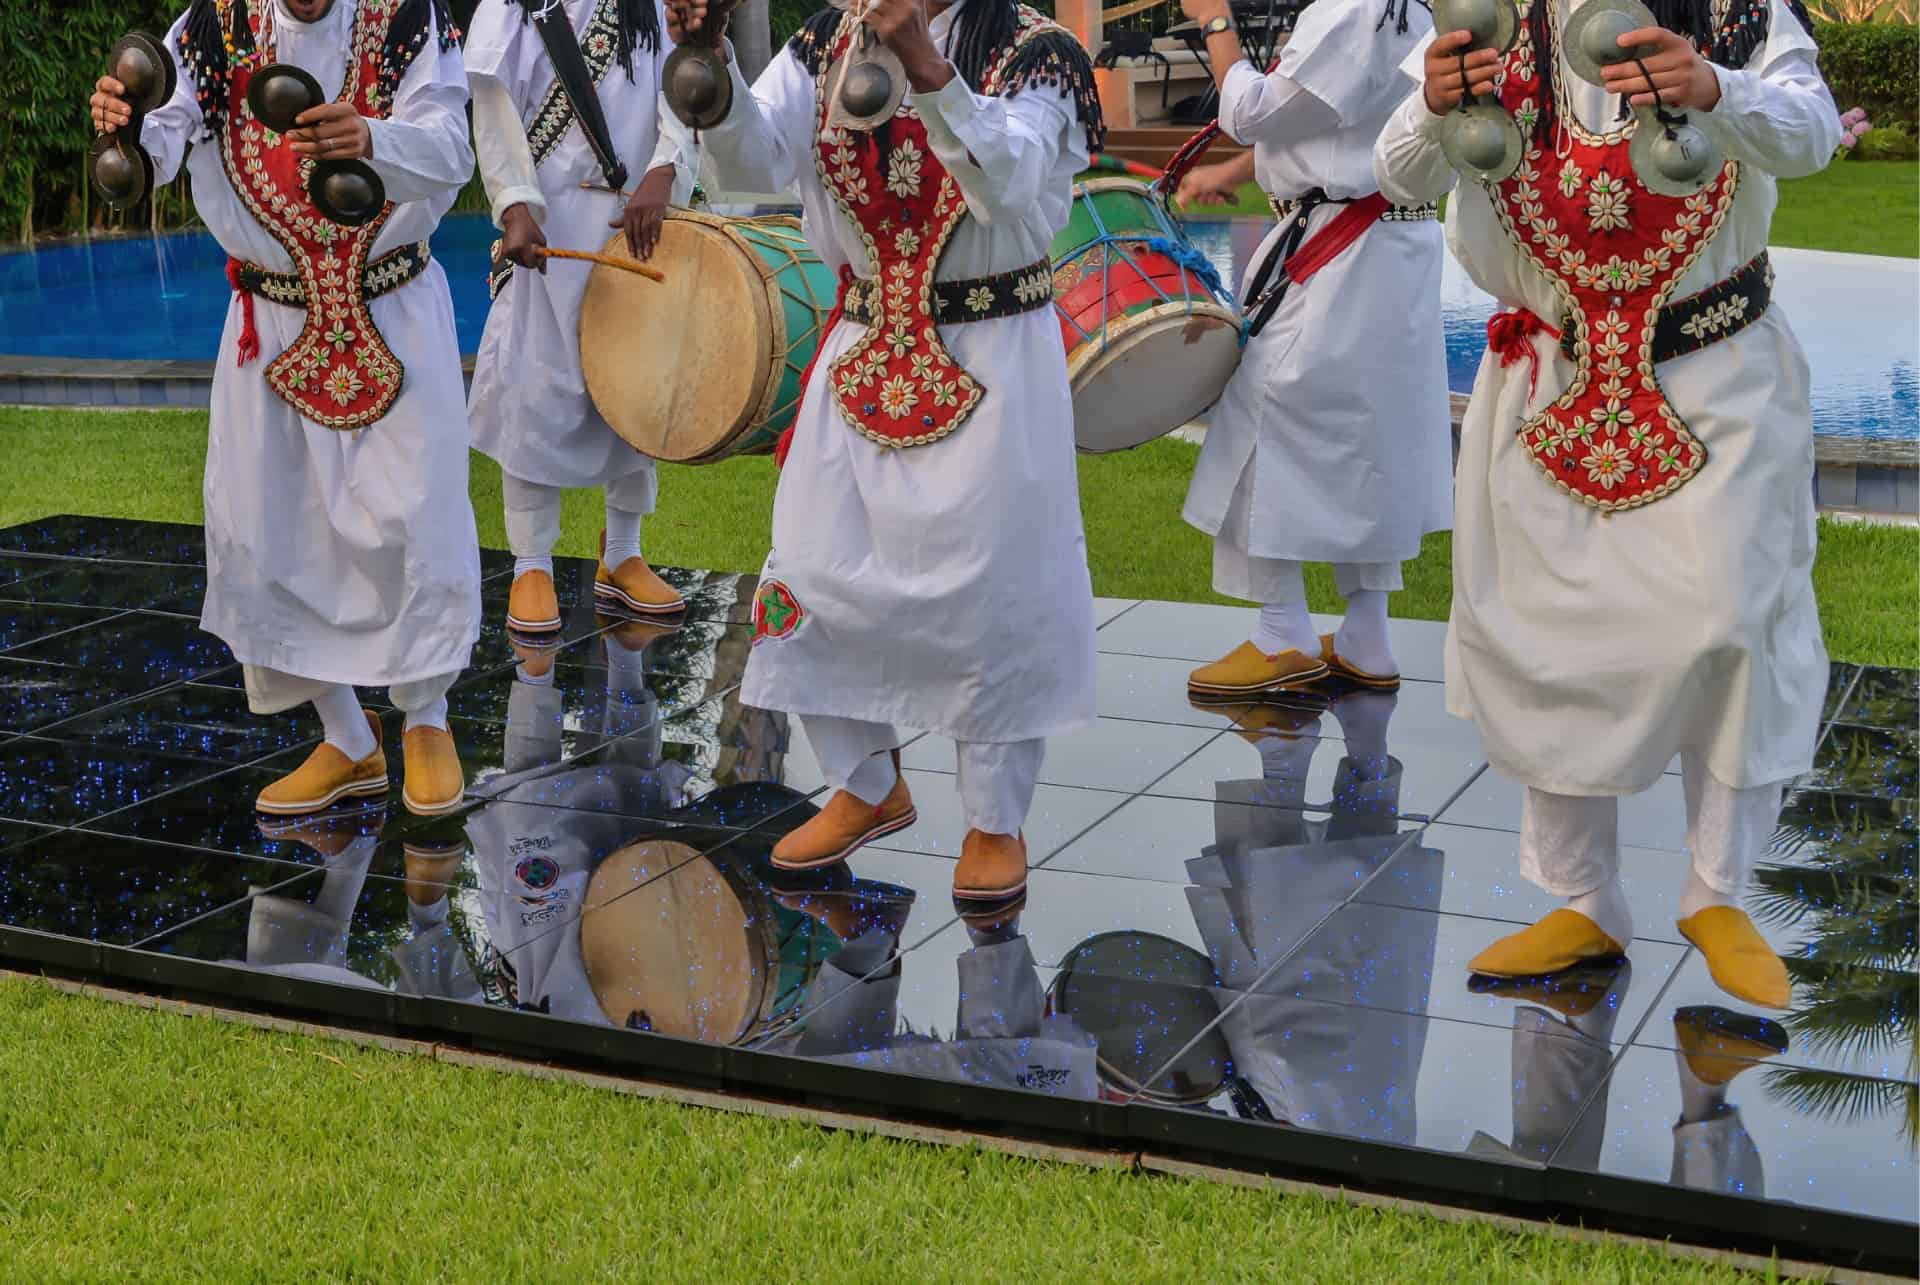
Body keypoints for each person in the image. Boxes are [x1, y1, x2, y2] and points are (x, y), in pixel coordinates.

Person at [1373, 0, 1838, 1006]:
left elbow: (1810, 135)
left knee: (1734, 617)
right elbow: (1398, 178)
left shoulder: (1735, 12)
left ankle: (1718, 890)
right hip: (1547, 377)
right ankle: (1583, 899)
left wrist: (1716, 88)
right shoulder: (1487, 21)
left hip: (1718, 372)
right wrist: (1431, 105)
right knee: (1547, 640)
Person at [657, 0, 1105, 899]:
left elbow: (1010, 183)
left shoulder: (1038, 51)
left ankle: (994, 819)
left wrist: (926, 65)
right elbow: (753, 165)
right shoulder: (825, 42)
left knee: (990, 597)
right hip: (861, 347)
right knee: (812, 571)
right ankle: (865, 783)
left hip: (993, 352)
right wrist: (711, 66)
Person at [88, 0, 481, 817]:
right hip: (267, 325)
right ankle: (346, 736)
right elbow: (165, 137)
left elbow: (451, 148)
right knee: (265, 529)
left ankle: (427, 720)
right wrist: (126, 129)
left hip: (393, 307)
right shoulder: (213, 28)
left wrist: (373, 138)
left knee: (415, 518)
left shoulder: (406, 16)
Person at [1173, 0, 1452, 702]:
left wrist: (1215, 25)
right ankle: (1366, 637)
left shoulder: (1351, 6)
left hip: (1341, 248)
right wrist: (1240, 172)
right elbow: (1341, 117)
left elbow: (1254, 111)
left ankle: (1282, 635)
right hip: (1390, 243)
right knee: (1372, 443)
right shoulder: (1408, 10)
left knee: (1261, 417)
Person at [466, 0, 696, 635]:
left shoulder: (651, 4)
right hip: (549, 227)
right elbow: (494, 107)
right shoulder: (511, 6)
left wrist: (664, 170)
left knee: (635, 392)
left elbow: (683, 88)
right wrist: (515, 205)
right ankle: (530, 564)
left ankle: (622, 552)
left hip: (636, 222)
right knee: (535, 390)